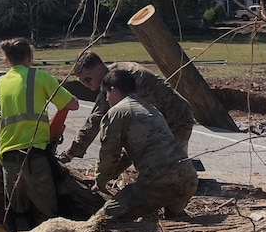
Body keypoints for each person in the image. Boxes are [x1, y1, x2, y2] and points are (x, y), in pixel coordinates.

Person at [0, 37, 79, 232]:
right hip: (35, 159)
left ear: (6, 61)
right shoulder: (39, 77)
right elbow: (72, 105)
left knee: (18, 219)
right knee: (54, 216)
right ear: (30, 57)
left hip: (9, 162)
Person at [91, 69, 198, 223]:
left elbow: (109, 153)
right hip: (188, 179)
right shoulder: (149, 108)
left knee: (105, 217)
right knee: (172, 221)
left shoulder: (117, 111)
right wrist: (113, 174)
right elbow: (130, 153)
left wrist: (100, 181)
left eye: (106, 94)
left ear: (113, 90)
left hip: (159, 182)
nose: (106, 99)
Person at [59, 51, 195, 163]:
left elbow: (95, 121)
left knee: (163, 171)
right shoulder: (116, 71)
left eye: (87, 79)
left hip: (177, 121)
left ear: (98, 69)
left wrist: (70, 153)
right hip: (171, 118)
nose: (86, 85)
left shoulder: (117, 82)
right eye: (82, 82)